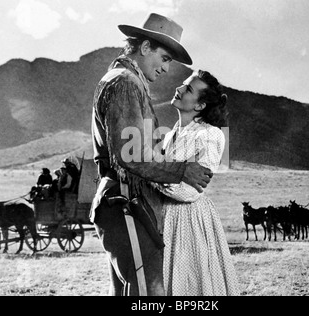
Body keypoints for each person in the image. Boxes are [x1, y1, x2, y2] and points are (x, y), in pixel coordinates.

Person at [90, 13, 213, 296]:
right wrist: (183, 170)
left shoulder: (126, 80)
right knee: (149, 295)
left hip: (127, 206)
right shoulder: (125, 82)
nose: (167, 69)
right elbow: (131, 156)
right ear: (145, 47)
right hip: (127, 205)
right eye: (166, 58)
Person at [157, 70, 239, 296]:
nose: (179, 89)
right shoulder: (169, 134)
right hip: (163, 218)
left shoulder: (211, 135)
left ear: (200, 106)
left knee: (189, 289)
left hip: (188, 221)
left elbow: (188, 192)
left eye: (188, 89)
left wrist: (148, 172)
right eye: (183, 84)